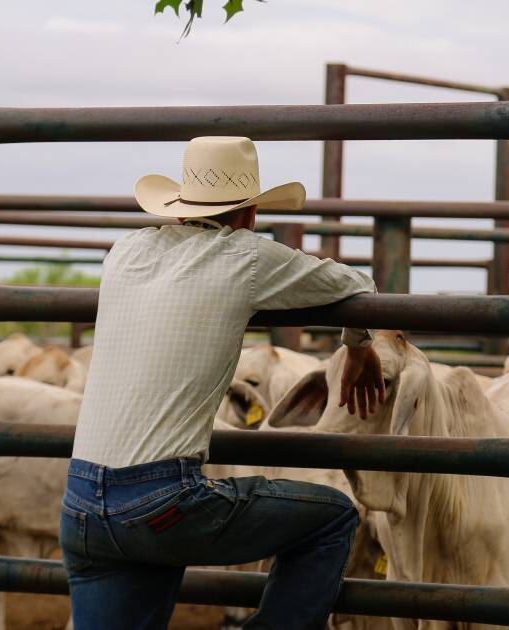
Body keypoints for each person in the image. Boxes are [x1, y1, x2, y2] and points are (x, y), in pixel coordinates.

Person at [60, 136, 387, 629]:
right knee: (334, 515)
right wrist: (359, 347)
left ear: (177, 207)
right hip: (162, 503)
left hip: (81, 503)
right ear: (250, 214)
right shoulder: (247, 257)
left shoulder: (126, 250)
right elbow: (357, 285)